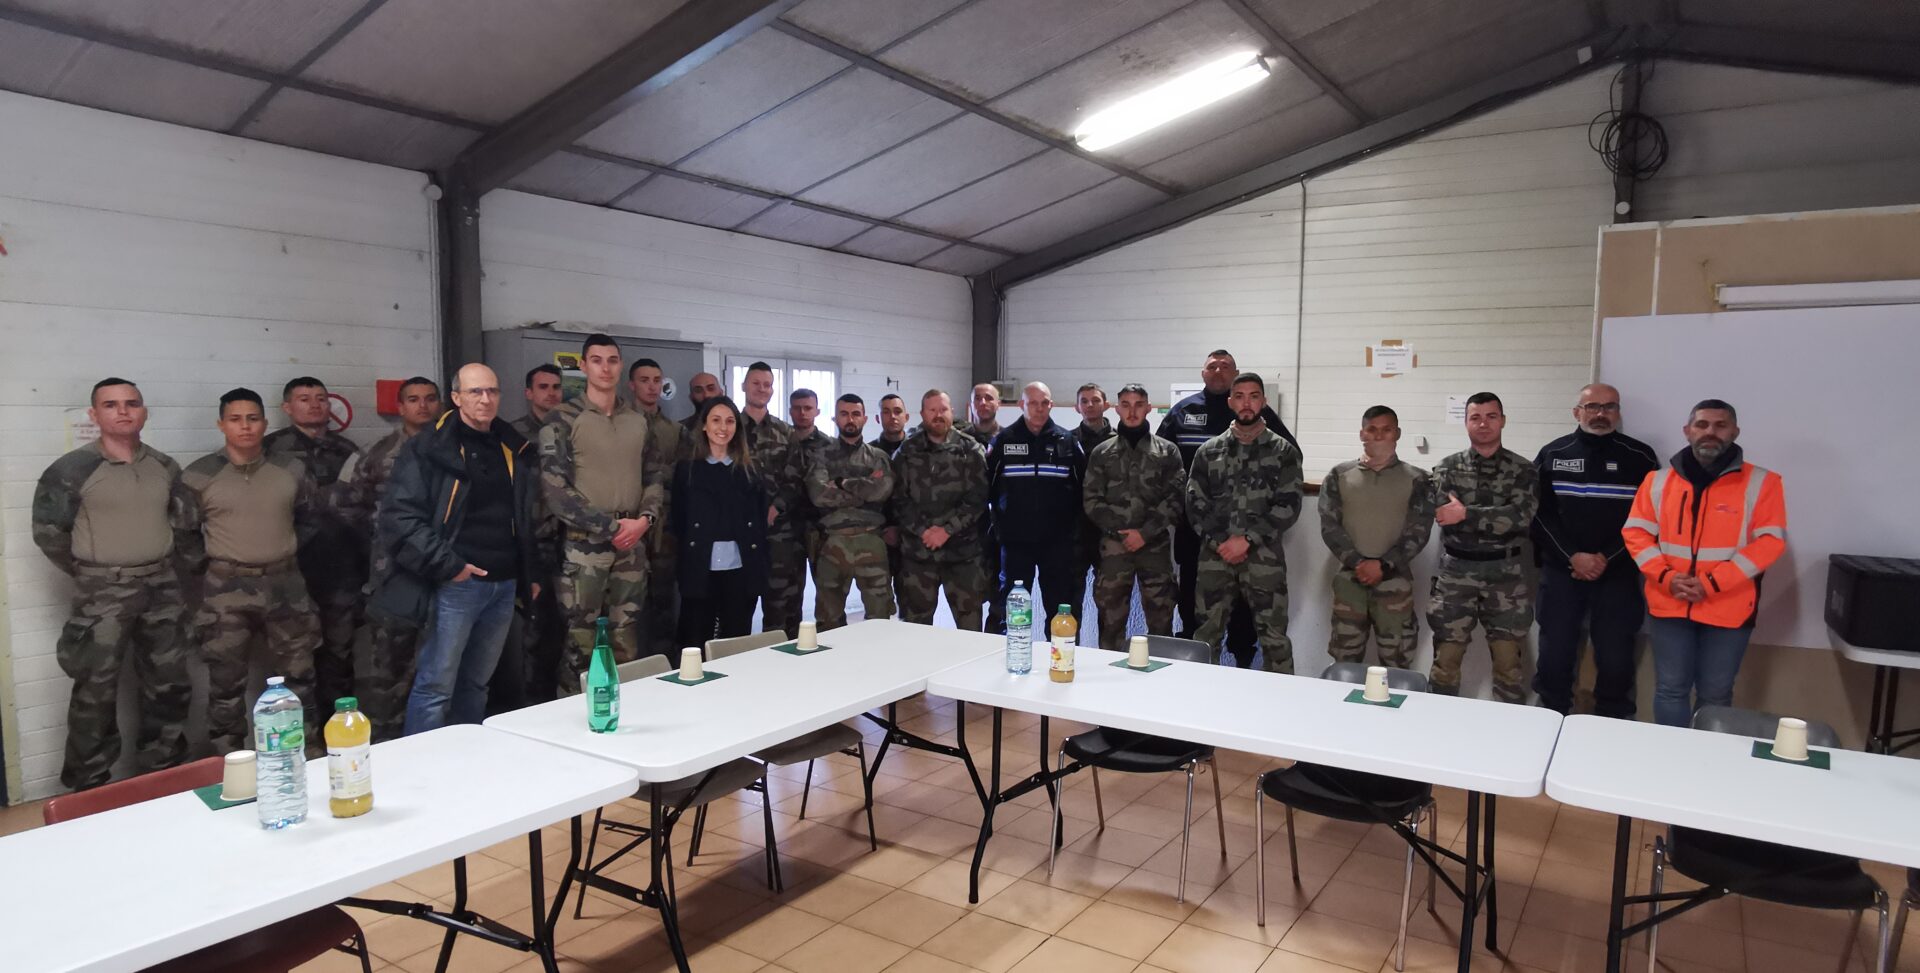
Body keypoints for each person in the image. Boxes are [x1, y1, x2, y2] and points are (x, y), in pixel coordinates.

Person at [32, 378, 194, 791]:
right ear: (95, 415)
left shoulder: (164, 465)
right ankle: (90, 786)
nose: (123, 411)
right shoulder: (70, 469)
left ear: (144, 411)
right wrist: (96, 572)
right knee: (95, 692)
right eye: (111, 405)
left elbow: (184, 526)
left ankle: (164, 775)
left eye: (132, 403)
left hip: (161, 586)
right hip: (102, 592)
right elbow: (50, 534)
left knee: (169, 684)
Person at [379, 365, 542, 733]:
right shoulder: (429, 448)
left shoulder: (511, 446)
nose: (485, 399)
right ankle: (422, 769)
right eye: (475, 392)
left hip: (503, 584)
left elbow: (521, 518)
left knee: (476, 683)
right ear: (456, 398)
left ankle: (466, 761)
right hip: (456, 583)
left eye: (492, 391)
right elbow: (399, 518)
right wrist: (450, 566)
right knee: (436, 686)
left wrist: (529, 573)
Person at [1623, 399, 1786, 727]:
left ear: (1735, 432)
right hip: (1670, 602)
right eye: (1702, 425)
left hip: (1729, 607)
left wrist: (1713, 582)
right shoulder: (1656, 481)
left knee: (1716, 694)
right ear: (1687, 431)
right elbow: (1636, 534)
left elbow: (1770, 542)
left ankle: (1708, 767)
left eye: (1720, 425)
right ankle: (1672, 763)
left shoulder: (1764, 483)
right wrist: (1667, 577)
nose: (1710, 432)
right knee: (1670, 689)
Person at [183, 388, 325, 753]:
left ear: (264, 423)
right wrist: (213, 565)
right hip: (226, 589)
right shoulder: (199, 475)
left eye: (252, 418)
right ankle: (229, 762)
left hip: (285, 584)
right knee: (225, 681)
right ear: (221, 424)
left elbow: (310, 519)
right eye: (235, 419)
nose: (245, 427)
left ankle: (304, 754)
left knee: (300, 676)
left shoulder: (289, 468)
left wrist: (284, 549)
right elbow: (182, 534)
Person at [538, 333, 663, 693]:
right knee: (581, 642)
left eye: (612, 360)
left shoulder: (638, 419)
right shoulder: (562, 418)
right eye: (597, 360)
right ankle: (574, 719)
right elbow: (555, 490)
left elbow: (655, 474)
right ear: (583, 366)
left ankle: (624, 713)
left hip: (632, 545)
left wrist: (645, 520)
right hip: (585, 548)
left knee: (628, 640)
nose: (605, 368)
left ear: (620, 366)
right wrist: (609, 527)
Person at [1159, 350, 1299, 666]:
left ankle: (1268, 705)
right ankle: (1200, 708)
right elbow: (1191, 495)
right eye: (1213, 366)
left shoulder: (1281, 449)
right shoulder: (1200, 437)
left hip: (1261, 556)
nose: (1246, 402)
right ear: (1231, 401)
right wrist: (1222, 540)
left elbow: (1289, 500)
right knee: (1203, 632)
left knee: (1266, 636)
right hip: (1207, 549)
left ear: (1262, 401)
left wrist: (1247, 540)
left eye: (1253, 396)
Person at [1532, 383, 1660, 718]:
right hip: (1562, 574)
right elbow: (1537, 515)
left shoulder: (1641, 458)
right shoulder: (1553, 454)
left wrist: (1605, 559)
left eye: (1609, 407)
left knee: (1617, 663)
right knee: (1555, 659)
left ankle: (1611, 732)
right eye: (1592, 407)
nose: (1600, 414)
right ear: (1577, 412)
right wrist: (1572, 556)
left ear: (1618, 413)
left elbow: (1648, 520)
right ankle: (1549, 722)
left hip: (1616, 577)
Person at [264, 376, 366, 726]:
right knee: (295, 664)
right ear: (287, 407)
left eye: (321, 398)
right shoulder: (270, 451)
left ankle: (340, 731)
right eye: (304, 399)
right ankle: (304, 741)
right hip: (291, 573)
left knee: (339, 658)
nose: (314, 405)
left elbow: (364, 510)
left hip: (341, 571)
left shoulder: (348, 451)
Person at [1428, 392, 1538, 702]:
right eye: (1475, 417)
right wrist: (1491, 517)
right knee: (1445, 661)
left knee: (1508, 665)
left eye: (1491, 416)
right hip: (1456, 572)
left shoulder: (1523, 470)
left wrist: (1467, 514)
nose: (1484, 423)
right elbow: (1442, 516)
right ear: (1466, 423)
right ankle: (1437, 729)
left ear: (1503, 421)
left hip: (1506, 575)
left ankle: (1506, 739)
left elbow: (1522, 517)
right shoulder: (1447, 468)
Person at [348, 375, 441, 741]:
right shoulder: (375, 453)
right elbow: (347, 507)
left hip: (444, 572)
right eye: (414, 399)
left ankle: (436, 741)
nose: (423, 406)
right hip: (394, 575)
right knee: (389, 667)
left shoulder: (456, 449)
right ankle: (386, 743)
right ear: (400, 407)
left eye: (430, 399)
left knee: (438, 666)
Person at [1319, 406, 1435, 670]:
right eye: (1372, 429)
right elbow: (1329, 526)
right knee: (1345, 661)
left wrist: (1382, 565)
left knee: (1396, 662)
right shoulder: (1339, 475)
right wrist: (1359, 563)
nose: (1379, 435)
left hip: (1395, 584)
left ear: (1398, 434)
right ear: (1362, 434)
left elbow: (1418, 531)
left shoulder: (1418, 479)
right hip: (1350, 582)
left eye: (1387, 429)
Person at [1081, 383, 1182, 652]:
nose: (1132, 411)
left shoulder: (1167, 451)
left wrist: (1144, 533)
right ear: (1116, 409)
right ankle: (1110, 685)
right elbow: (1091, 501)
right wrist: (1121, 533)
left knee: (1161, 622)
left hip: (1155, 548)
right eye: (1126, 405)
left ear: (1148, 408)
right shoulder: (1102, 453)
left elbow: (1175, 499)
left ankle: (1161, 684)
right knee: (1111, 623)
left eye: (1139, 405)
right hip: (1115, 550)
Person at [986, 382, 1085, 632]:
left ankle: (1060, 662)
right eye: (1033, 403)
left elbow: (1083, 490)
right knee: (1014, 612)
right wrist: (1001, 528)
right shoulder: (1003, 441)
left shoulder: (1067, 441)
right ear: (1022, 405)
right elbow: (987, 488)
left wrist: (1072, 531)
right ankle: (1011, 662)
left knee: (1060, 610)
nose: (1039, 409)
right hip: (1016, 544)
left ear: (1051, 405)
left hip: (1057, 544)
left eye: (1044, 403)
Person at [891, 390, 991, 630]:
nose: (938, 415)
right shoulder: (907, 451)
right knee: (916, 629)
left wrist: (946, 531)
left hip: (962, 554)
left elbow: (978, 499)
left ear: (952, 413)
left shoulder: (970, 450)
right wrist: (925, 531)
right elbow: (898, 499)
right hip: (919, 555)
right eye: (932, 410)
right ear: (923, 414)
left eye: (943, 410)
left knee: (970, 629)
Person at [674, 397, 771, 644]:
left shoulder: (750, 470)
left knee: (735, 642)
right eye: (715, 420)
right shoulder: (687, 470)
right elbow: (679, 520)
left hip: (740, 568)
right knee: (695, 640)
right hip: (700, 568)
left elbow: (759, 522)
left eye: (730, 421)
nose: (723, 428)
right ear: (704, 426)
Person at [808, 394, 896, 630]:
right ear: (835, 418)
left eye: (856, 414)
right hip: (833, 543)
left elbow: (882, 491)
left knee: (879, 617)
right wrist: (864, 487)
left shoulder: (878, 457)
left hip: (871, 542)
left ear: (865, 419)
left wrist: (840, 483)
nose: (850, 419)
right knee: (828, 620)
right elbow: (819, 495)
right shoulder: (820, 456)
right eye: (844, 414)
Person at [512, 364, 565, 703]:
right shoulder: (513, 435)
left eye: (557, 387)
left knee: (569, 630)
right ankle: (534, 705)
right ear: (529, 392)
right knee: (535, 634)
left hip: (568, 540)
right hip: (530, 544)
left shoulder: (570, 428)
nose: (551, 393)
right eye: (543, 387)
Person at [630, 358, 689, 660]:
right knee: (627, 607)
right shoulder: (623, 423)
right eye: (644, 380)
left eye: (656, 380)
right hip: (631, 526)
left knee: (664, 602)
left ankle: (663, 665)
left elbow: (681, 475)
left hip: (665, 528)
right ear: (632, 385)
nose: (652, 386)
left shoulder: (674, 430)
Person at [738, 362, 799, 636]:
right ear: (744, 386)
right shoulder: (730, 428)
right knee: (738, 609)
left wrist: (778, 506)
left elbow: (795, 477)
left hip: (778, 534)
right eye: (756, 383)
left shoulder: (786, 432)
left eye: (767, 384)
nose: (762, 389)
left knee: (780, 611)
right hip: (738, 534)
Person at [961, 381, 1004, 631]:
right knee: (969, 602)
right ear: (972, 404)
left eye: (989, 398)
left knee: (1000, 601)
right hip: (967, 535)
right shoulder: (959, 441)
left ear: (998, 403)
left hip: (999, 533)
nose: (984, 403)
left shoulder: (1009, 439)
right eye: (978, 398)